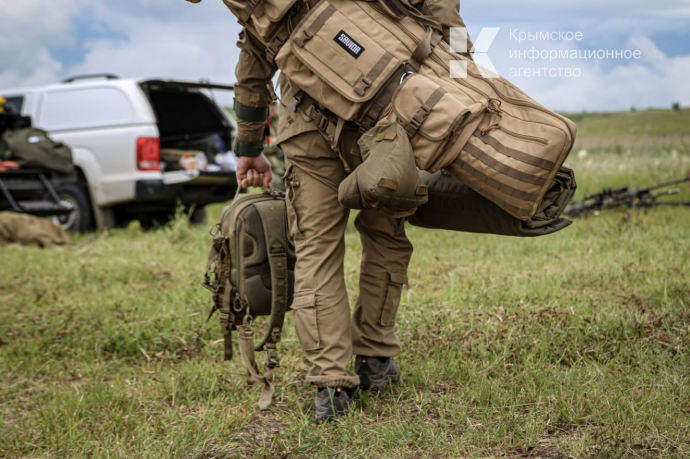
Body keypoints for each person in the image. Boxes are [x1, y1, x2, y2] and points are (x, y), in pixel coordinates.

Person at [198, 0, 473, 421]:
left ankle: (329, 382)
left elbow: (253, 62)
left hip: (307, 129)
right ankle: (376, 359)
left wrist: (249, 147)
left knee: (316, 250)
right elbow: (452, 32)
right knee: (386, 238)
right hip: (387, 124)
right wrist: (460, 98)